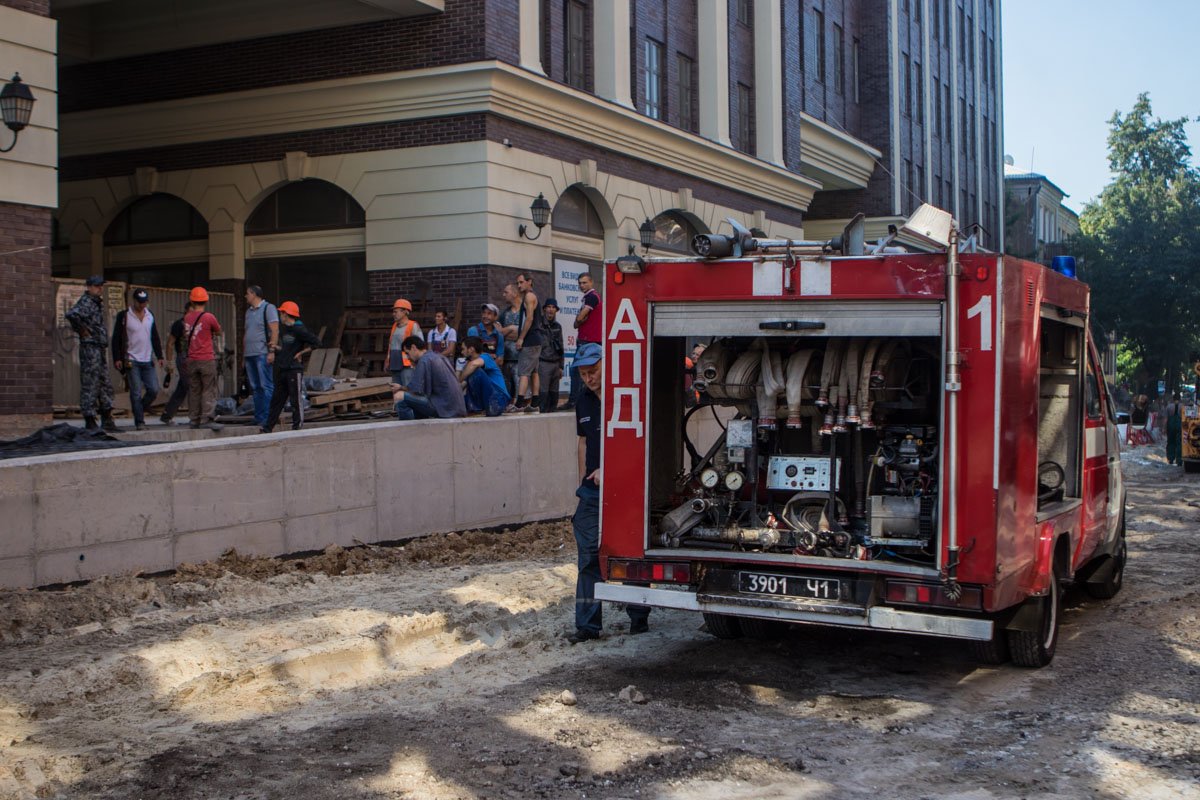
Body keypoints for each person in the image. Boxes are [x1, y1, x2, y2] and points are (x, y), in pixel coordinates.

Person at [569, 342, 650, 643]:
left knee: (631, 554)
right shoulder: (583, 401)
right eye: (584, 374)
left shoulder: (627, 398)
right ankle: (587, 626)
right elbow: (582, 441)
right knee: (588, 556)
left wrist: (611, 471)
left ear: (607, 364)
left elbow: (638, 445)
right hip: (592, 492)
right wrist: (582, 481)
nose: (589, 378)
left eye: (594, 371)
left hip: (626, 489)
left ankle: (638, 618)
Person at [64, 275, 118, 432]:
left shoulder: (96, 303)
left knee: (104, 383)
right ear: (89, 287)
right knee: (91, 382)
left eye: (101, 286)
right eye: (96, 286)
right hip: (90, 348)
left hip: (98, 347)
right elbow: (72, 314)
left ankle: (107, 418)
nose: (100, 289)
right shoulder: (86, 302)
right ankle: (90, 419)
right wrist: (82, 331)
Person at [261, 301, 322, 433]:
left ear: (286, 314)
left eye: (281, 313)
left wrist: (301, 353)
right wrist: (275, 348)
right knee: (277, 400)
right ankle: (268, 428)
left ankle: (297, 427)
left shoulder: (300, 330)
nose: (280, 316)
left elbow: (317, 342)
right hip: (282, 368)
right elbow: (286, 349)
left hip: (294, 370)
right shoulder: (285, 330)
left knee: (295, 400)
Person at [111, 288, 165, 430]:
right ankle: (139, 421)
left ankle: (139, 409)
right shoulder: (124, 316)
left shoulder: (149, 315)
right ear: (134, 301)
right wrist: (117, 358)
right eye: (140, 302)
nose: (142, 305)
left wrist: (160, 356)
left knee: (153, 389)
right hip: (131, 359)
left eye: (144, 302)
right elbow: (116, 338)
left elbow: (155, 336)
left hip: (147, 359)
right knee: (135, 391)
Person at [392, 336, 466, 420]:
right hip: (455, 406)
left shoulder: (424, 360)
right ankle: (421, 428)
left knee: (400, 397)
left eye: (407, 353)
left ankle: (407, 431)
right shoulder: (438, 356)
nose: (408, 357)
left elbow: (415, 390)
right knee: (413, 401)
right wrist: (401, 387)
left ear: (413, 347)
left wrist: (401, 390)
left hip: (444, 407)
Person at [182, 287, 224, 431]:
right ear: (206, 300)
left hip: (191, 359)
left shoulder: (187, 317)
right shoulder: (209, 317)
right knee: (208, 389)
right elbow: (218, 331)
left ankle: (194, 420)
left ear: (192, 301)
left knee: (194, 390)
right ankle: (207, 419)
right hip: (206, 358)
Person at [243, 285, 279, 429]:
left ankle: (269, 418)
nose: (246, 296)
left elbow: (274, 330)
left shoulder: (268, 308)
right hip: (250, 354)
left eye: (247, 293)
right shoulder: (248, 312)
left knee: (266, 386)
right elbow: (246, 333)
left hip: (262, 353)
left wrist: (271, 351)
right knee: (256, 387)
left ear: (254, 294)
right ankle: (259, 416)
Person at [567, 271, 602, 410]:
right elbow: (577, 323)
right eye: (580, 283)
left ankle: (574, 401)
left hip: (588, 341)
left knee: (577, 372)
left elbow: (579, 319)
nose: (582, 285)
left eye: (584, 282)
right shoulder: (589, 297)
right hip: (589, 340)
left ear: (591, 282)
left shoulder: (591, 297)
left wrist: (578, 321)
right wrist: (578, 322)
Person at [512, 272, 544, 412]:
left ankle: (519, 404)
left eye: (521, 282)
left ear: (529, 281)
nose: (519, 285)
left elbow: (529, 318)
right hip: (535, 339)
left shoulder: (529, 296)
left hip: (530, 340)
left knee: (524, 372)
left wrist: (521, 338)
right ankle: (535, 403)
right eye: (518, 283)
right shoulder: (532, 296)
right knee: (534, 371)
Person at [160, 301, 195, 425]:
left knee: (183, 387)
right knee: (191, 385)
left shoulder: (197, 324)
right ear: (186, 310)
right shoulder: (179, 324)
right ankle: (195, 416)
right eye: (191, 310)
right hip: (183, 358)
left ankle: (167, 414)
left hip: (195, 357)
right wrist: (169, 363)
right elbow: (170, 343)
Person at [459, 335, 511, 417]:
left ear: (471, 349)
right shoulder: (471, 365)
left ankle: (476, 409)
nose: (462, 352)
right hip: (488, 401)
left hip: (498, 400)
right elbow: (463, 384)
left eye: (463, 349)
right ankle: (475, 408)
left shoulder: (485, 357)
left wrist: (458, 380)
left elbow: (473, 365)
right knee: (459, 403)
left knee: (476, 371)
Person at [384, 298, 422, 388]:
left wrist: (417, 363)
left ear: (405, 312)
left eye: (396, 311)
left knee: (408, 389)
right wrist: (387, 360)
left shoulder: (413, 326)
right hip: (395, 363)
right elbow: (391, 344)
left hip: (408, 365)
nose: (393, 314)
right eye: (393, 312)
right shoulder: (394, 326)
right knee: (396, 390)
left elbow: (420, 346)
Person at [537, 297, 565, 413]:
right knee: (543, 393)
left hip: (555, 364)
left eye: (553, 307)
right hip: (543, 363)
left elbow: (561, 347)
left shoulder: (558, 326)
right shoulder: (539, 325)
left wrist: (561, 366)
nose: (551, 310)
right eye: (548, 307)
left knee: (554, 394)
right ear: (544, 309)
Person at [499, 283, 522, 400]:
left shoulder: (525, 311)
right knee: (507, 386)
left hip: (521, 357)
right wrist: (511, 328)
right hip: (506, 357)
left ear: (514, 293)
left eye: (506, 292)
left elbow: (528, 331)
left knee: (520, 386)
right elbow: (499, 332)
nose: (503, 295)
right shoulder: (504, 313)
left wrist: (515, 331)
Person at [1166, 392, 1184, 466]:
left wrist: (1164, 428)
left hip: (1170, 425)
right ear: (1180, 399)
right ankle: (1179, 460)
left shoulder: (1169, 406)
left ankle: (1171, 459)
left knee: (1170, 442)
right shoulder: (1182, 406)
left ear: (1173, 399)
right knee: (1179, 443)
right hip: (1180, 425)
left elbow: (1165, 418)